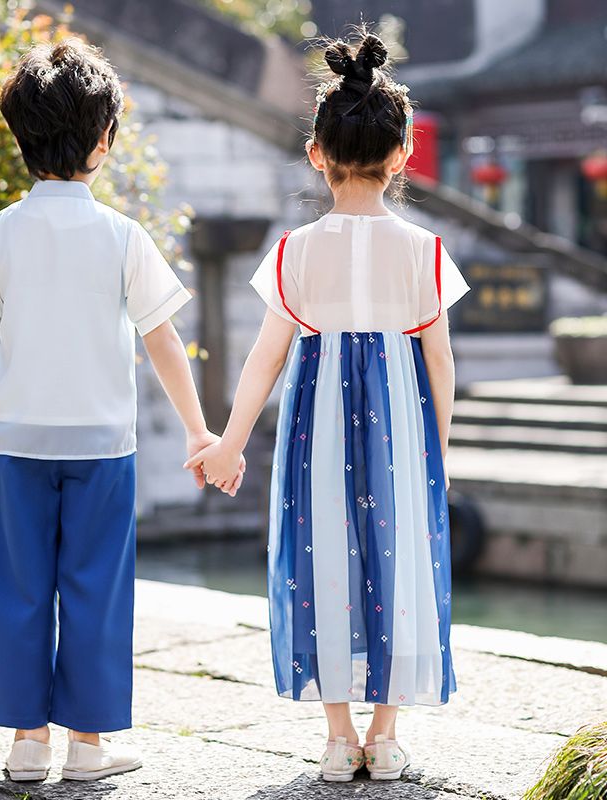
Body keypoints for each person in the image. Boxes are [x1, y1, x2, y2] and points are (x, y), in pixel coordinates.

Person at [0, 37, 243, 783]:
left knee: (16, 592)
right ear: (105, 142)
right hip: (102, 448)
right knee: (95, 593)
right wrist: (202, 431)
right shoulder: (122, 236)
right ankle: (86, 749)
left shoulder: (0, 233)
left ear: (21, 138)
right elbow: (166, 343)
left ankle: (24, 746)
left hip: (12, 446)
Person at [186, 31, 469, 782]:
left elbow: (265, 358)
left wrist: (229, 442)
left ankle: (338, 738)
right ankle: (388, 734)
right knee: (399, 560)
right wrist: (434, 449)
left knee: (324, 563)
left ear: (317, 152)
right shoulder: (426, 252)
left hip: (317, 431)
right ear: (403, 154)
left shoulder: (294, 251)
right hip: (400, 430)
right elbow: (439, 360)